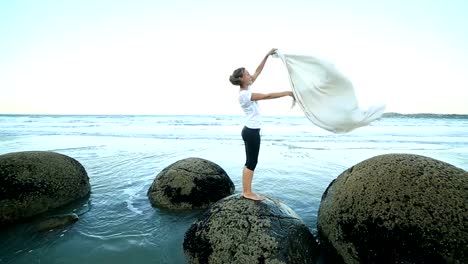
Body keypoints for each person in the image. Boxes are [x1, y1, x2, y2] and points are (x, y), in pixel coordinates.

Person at [229, 48, 294, 201]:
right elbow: (267, 95)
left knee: (251, 161)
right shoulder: (245, 95)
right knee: (251, 162)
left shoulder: (247, 89)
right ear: (241, 79)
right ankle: (247, 192)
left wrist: (266, 56)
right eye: (247, 74)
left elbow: (258, 72)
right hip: (251, 131)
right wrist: (288, 93)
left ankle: (247, 190)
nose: (250, 75)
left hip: (250, 130)